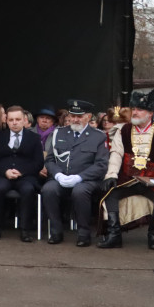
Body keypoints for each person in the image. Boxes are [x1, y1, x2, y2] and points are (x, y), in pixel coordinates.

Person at [98, 89, 154, 250]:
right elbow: (116, 154)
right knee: (110, 195)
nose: (135, 112)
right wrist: (110, 175)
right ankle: (114, 235)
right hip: (129, 179)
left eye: (140, 109)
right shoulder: (122, 130)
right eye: (134, 109)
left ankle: (153, 236)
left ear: (151, 113)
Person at [42, 99, 108, 246]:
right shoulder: (59, 133)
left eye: (79, 116)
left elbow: (101, 165)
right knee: (48, 189)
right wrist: (58, 175)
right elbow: (50, 159)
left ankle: (84, 233)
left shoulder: (98, 136)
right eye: (73, 115)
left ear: (89, 117)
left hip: (86, 180)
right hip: (61, 177)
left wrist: (80, 177)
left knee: (80, 191)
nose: (75, 119)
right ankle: (56, 231)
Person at [0, 105, 44, 242]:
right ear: (6, 120)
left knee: (28, 190)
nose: (14, 122)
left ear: (25, 120)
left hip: (25, 176)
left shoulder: (34, 138)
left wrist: (22, 172)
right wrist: (5, 171)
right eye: (11, 119)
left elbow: (38, 163)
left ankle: (25, 230)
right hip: (2, 175)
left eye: (18, 119)